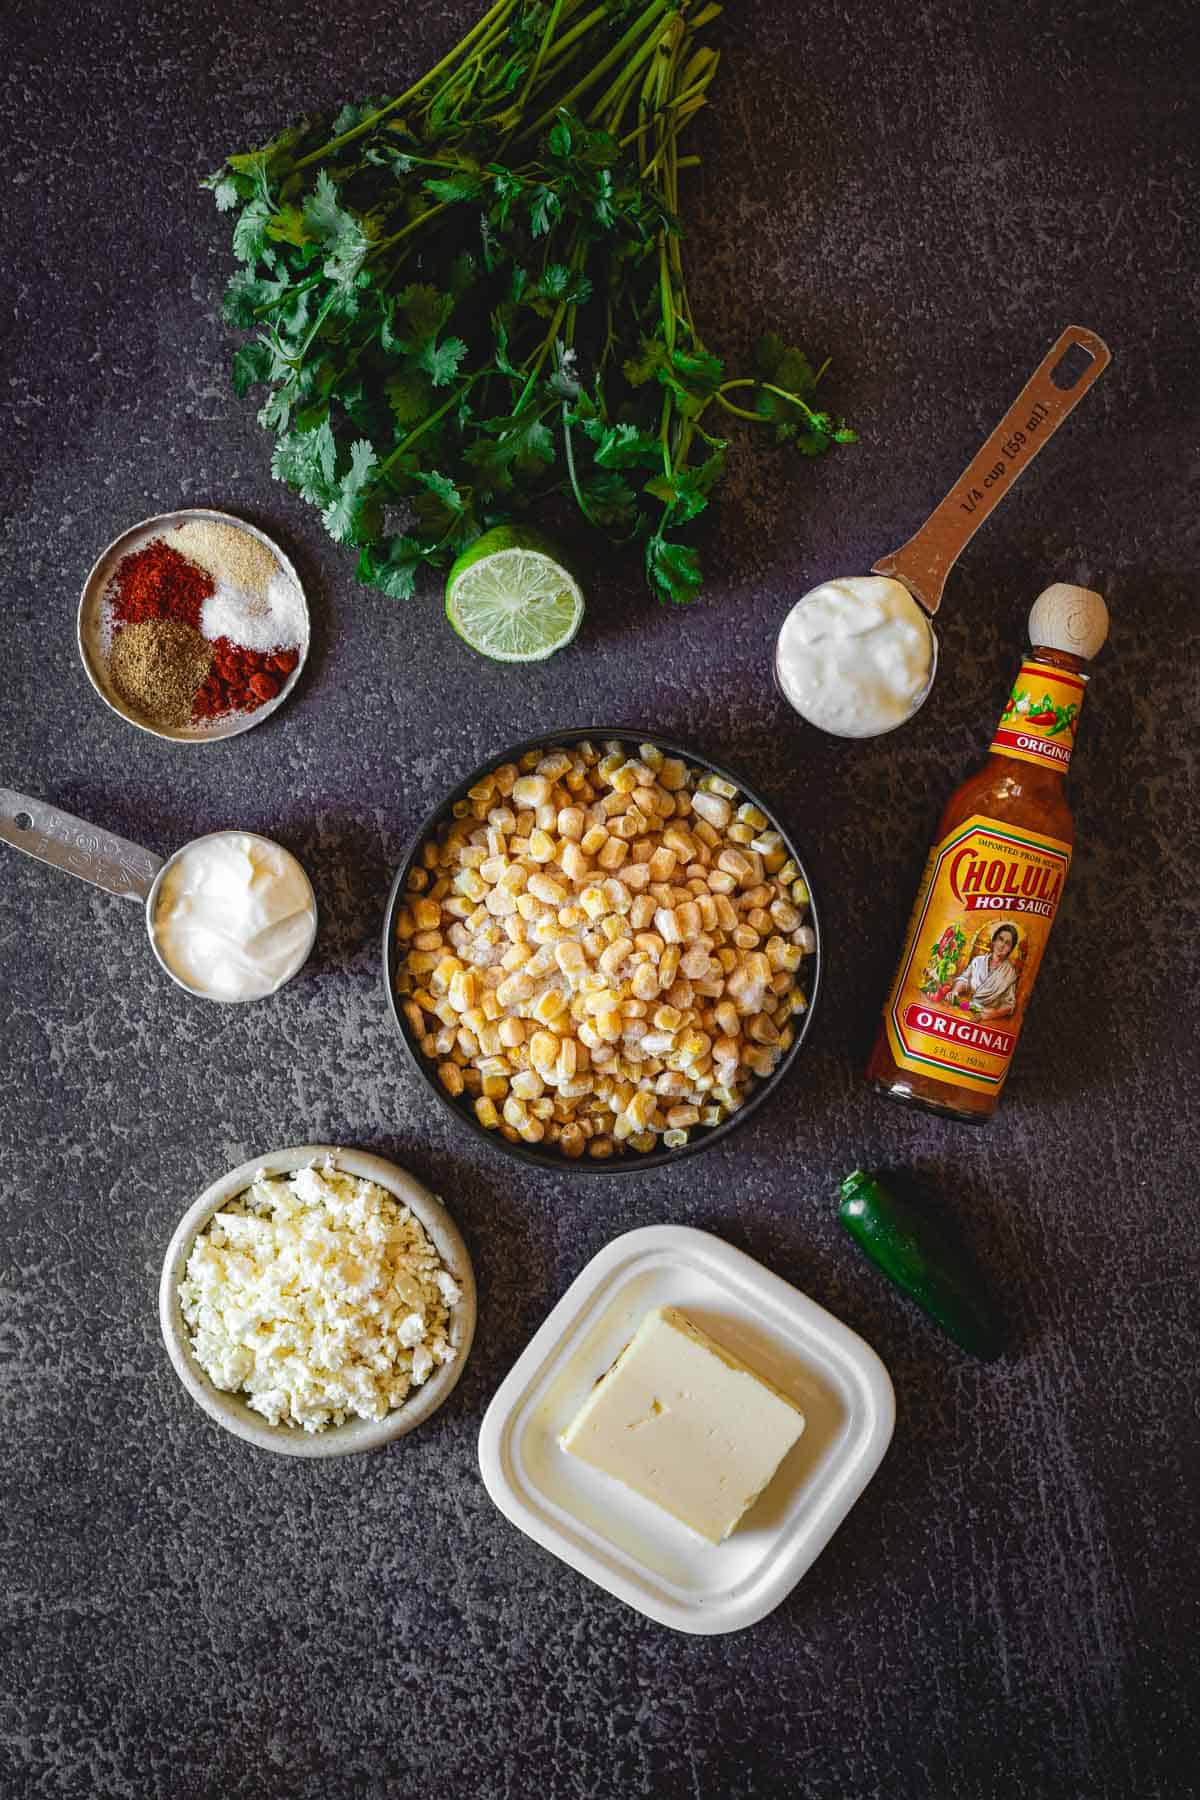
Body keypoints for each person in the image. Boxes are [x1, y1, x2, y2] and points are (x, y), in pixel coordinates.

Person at [949, 923, 1020, 1020]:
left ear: (1010, 949)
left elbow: (1009, 1005)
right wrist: (955, 991)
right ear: (994, 940)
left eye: (1007, 943)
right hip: (966, 1006)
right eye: (1000, 939)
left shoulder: (1010, 973)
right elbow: (964, 979)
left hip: (987, 1017)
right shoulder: (978, 961)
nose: (1002, 945)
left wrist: (989, 1015)